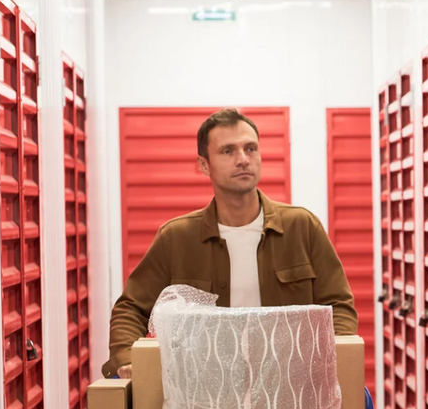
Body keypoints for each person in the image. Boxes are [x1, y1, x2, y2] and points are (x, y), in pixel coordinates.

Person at [104, 107, 358, 378]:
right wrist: (129, 360)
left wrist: (330, 362)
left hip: (289, 387)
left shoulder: (302, 228)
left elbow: (338, 306)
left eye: (251, 149)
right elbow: (131, 309)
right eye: (228, 151)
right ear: (204, 164)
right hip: (203, 392)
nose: (243, 160)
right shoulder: (176, 238)